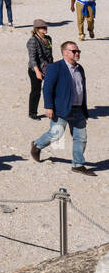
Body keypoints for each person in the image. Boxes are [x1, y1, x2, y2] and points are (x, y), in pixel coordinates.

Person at [30, 40, 93, 176]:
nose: (77, 53)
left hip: (78, 109)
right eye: (74, 51)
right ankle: (37, 145)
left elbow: (82, 89)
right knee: (56, 134)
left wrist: (84, 108)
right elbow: (47, 88)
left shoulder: (79, 68)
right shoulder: (55, 67)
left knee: (80, 137)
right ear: (65, 52)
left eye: (78, 51)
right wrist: (48, 107)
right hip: (61, 109)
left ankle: (78, 164)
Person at [26, 19, 53, 120]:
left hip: (48, 68)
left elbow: (50, 55)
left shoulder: (49, 38)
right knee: (36, 91)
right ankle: (32, 113)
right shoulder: (32, 41)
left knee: (51, 89)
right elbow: (32, 58)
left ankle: (53, 109)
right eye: (43, 27)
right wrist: (37, 72)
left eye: (45, 27)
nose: (45, 29)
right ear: (37, 29)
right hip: (35, 70)